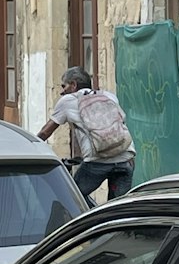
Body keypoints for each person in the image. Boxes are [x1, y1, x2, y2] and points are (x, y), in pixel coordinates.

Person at [37, 66, 136, 200]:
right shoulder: (108, 96)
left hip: (97, 162)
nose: (62, 91)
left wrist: (31, 146)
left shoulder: (67, 101)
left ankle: (91, 219)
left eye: (64, 86)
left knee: (73, 199)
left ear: (73, 85)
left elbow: (45, 132)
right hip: (125, 158)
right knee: (117, 208)